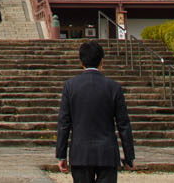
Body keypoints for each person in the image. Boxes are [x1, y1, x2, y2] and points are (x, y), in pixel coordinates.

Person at [55, 39, 134, 183]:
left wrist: (61, 155)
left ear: (81, 62)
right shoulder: (113, 87)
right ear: (102, 61)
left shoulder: (70, 86)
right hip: (107, 153)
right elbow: (123, 124)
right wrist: (129, 156)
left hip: (80, 153)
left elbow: (64, 123)